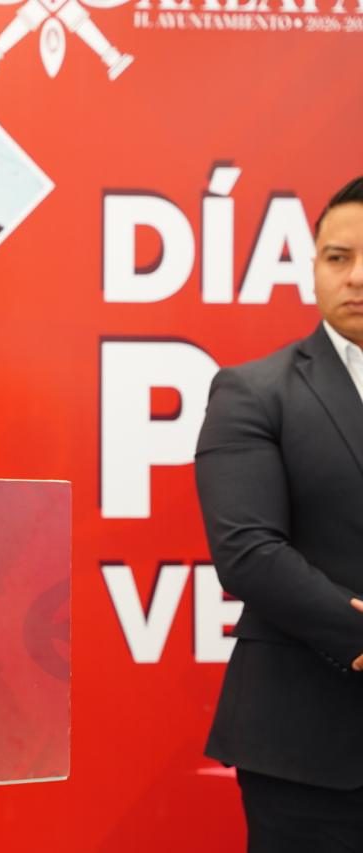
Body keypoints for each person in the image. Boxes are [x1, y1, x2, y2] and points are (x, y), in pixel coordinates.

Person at [194, 175, 363, 852]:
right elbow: (249, 552)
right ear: (313, 266)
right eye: (338, 257)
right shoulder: (254, 391)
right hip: (308, 748)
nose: (356, 277)